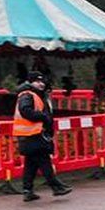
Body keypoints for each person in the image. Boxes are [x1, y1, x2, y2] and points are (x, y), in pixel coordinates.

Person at [13, 71, 72, 201]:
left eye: (42, 81)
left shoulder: (36, 95)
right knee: (44, 161)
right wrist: (43, 117)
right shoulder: (27, 95)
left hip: (30, 134)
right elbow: (25, 111)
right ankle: (56, 187)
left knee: (31, 164)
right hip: (32, 134)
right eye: (37, 81)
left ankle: (27, 190)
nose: (41, 84)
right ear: (30, 82)